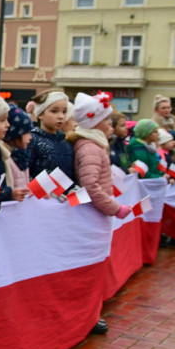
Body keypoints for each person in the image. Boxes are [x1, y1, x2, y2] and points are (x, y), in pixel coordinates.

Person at [69, 92, 132, 334]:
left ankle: (92, 313)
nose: (110, 125)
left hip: (96, 215)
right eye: (106, 120)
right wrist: (115, 208)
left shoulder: (94, 145)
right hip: (93, 217)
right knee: (91, 268)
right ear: (95, 122)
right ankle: (88, 315)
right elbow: (91, 185)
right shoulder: (91, 148)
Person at [27, 91, 74, 180]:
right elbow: (26, 173)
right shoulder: (33, 139)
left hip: (66, 193)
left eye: (64, 112)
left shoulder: (65, 141)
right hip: (41, 192)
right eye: (54, 111)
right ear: (40, 114)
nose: (61, 116)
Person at [4, 103, 33, 190]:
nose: (30, 137)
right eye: (26, 133)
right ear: (15, 134)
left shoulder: (22, 156)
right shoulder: (7, 158)